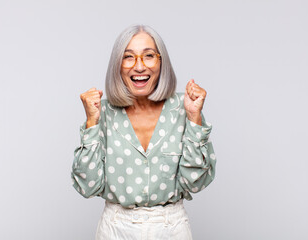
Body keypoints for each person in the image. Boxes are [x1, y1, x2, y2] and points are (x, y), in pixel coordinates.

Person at [71, 25, 216, 240]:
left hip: (171, 228)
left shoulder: (184, 108)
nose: (139, 66)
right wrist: (92, 122)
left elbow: (195, 183)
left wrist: (194, 118)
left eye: (149, 56)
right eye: (128, 57)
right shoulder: (102, 112)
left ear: (161, 62)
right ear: (118, 66)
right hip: (116, 229)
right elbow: (87, 186)